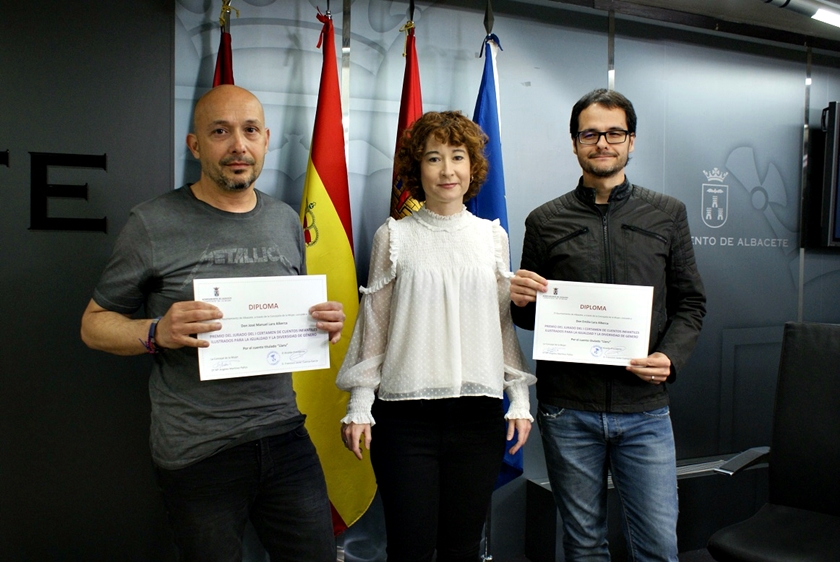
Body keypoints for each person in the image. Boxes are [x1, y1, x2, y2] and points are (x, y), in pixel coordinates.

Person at [80, 85, 344, 562]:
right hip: (198, 450)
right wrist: (157, 331)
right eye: (220, 132)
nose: (237, 146)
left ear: (266, 139)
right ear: (195, 145)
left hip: (284, 434)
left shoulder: (286, 220)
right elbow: (94, 325)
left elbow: (288, 314)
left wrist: (319, 323)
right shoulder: (152, 223)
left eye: (249, 131)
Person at [510, 89, 706, 561]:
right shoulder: (544, 221)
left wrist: (670, 357)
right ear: (575, 142)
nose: (603, 142)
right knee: (582, 545)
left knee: (658, 546)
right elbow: (528, 314)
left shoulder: (667, 213)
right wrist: (518, 301)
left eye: (614, 132)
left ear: (631, 141)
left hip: (644, 410)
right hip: (568, 410)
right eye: (590, 133)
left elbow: (691, 302)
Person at [337, 111, 536, 562]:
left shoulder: (493, 238)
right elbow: (376, 325)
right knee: (409, 549)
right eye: (434, 158)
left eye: (458, 157)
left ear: (473, 167)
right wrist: (359, 405)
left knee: (462, 549)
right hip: (406, 422)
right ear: (416, 169)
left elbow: (501, 324)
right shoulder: (394, 236)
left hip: (478, 419)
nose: (447, 170)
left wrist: (519, 398)